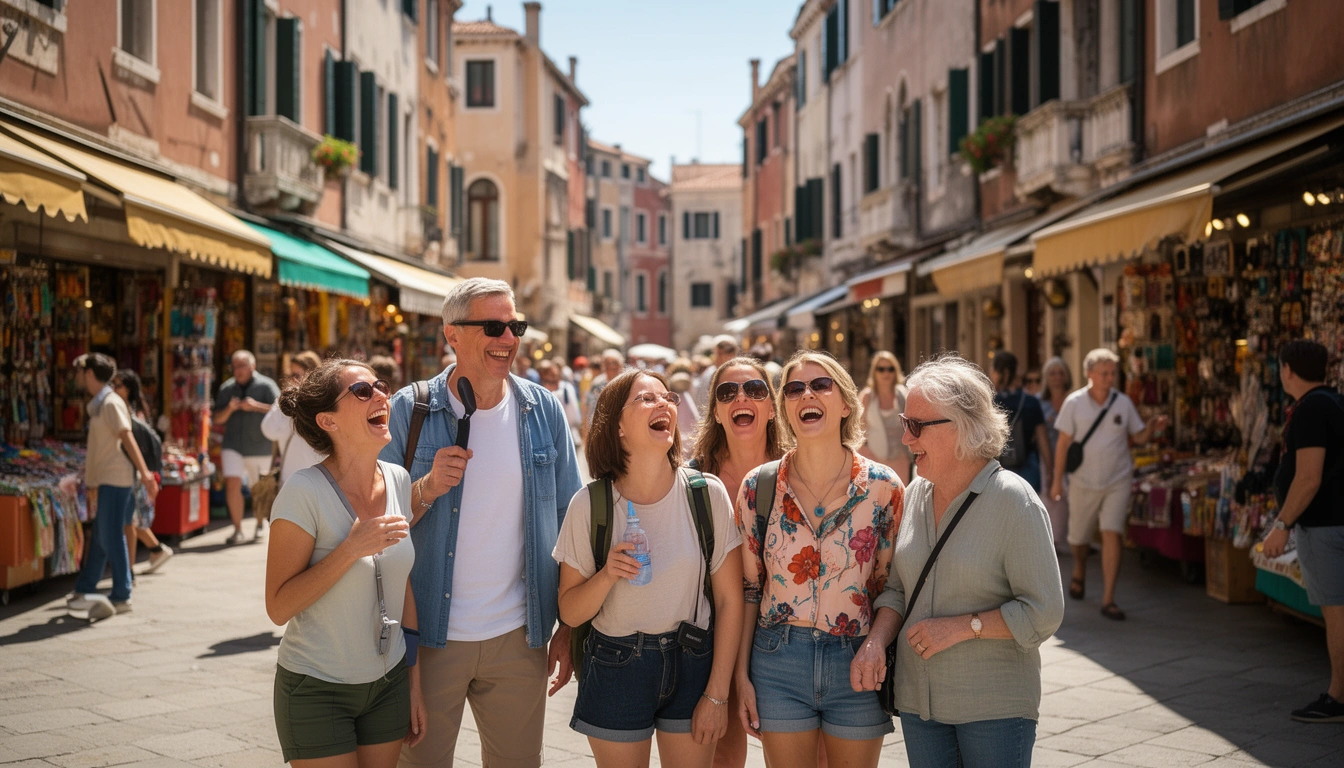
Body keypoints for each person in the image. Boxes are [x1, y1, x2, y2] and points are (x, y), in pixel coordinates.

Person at [379, 277, 583, 768]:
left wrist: (569, 627)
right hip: (427, 635)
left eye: (515, 325)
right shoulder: (411, 409)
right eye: (494, 326)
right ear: (453, 334)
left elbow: (570, 519)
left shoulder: (543, 409)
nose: (509, 339)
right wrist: (425, 488)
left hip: (519, 633)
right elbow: (375, 523)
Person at [852, 355, 1065, 767]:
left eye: (916, 426)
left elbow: (1044, 612)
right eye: (904, 422)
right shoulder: (914, 494)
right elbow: (897, 589)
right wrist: (876, 641)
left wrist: (964, 628)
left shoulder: (1014, 501)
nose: (906, 439)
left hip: (994, 708)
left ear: (962, 424)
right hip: (919, 703)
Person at [554, 369, 744, 765]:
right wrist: (607, 575)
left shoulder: (707, 494)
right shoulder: (589, 505)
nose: (664, 405)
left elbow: (729, 601)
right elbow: (570, 611)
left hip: (692, 659)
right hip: (616, 664)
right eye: (646, 398)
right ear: (617, 426)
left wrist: (717, 693)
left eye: (667, 398)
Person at [735, 351, 902, 768]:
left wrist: (877, 645)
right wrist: (741, 677)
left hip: (857, 660)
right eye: (794, 389)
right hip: (778, 661)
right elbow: (750, 590)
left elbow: (892, 588)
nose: (806, 393)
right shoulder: (758, 487)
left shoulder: (885, 488)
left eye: (820, 384)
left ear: (845, 403)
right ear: (785, 410)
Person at [265, 360, 425, 766]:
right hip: (317, 687)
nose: (381, 397)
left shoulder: (398, 480)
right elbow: (279, 607)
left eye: (381, 386)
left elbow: (400, 583)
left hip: (388, 683)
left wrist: (413, 681)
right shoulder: (302, 491)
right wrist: (351, 549)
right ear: (328, 421)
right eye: (362, 391)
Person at [689, 356, 786, 768]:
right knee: (723, 752)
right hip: (715, 633)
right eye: (728, 392)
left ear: (770, 406)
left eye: (755, 390)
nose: (741, 398)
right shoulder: (692, 479)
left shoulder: (801, 470)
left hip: (786, 635)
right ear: (715, 410)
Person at [1049, 348, 1167, 621]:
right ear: (1089, 374)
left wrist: (1151, 428)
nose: (1109, 378)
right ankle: (1079, 568)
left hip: (1118, 478)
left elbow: (1137, 438)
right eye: (1104, 373)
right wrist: (1057, 481)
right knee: (1079, 538)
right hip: (1083, 480)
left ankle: (1108, 599)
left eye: (1113, 373)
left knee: (1112, 532)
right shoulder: (1074, 403)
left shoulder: (1122, 402)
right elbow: (1063, 444)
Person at [1261, 340, 1344, 723]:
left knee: (1337, 612)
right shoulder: (1334, 401)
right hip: (1334, 520)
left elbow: (1308, 477)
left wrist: (1282, 525)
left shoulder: (1312, 408)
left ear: (1288, 370)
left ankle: (1338, 697)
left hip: (1327, 526)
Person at [67, 354, 159, 614]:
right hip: (107, 478)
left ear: (88, 374)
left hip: (117, 478)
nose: (77, 377)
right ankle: (85, 587)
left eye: (80, 372)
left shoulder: (109, 403)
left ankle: (122, 593)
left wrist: (145, 474)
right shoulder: (100, 403)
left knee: (110, 535)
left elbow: (126, 437)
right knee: (101, 535)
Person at [214, 350, 281, 545]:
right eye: (234, 367)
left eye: (241, 366)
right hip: (233, 444)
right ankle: (237, 529)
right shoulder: (227, 388)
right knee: (232, 484)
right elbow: (217, 418)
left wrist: (256, 406)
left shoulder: (266, 385)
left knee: (258, 488)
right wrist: (230, 408)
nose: (237, 371)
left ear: (252, 366)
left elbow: (280, 410)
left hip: (260, 445)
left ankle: (259, 524)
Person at [110, 369, 173, 575]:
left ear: (127, 389)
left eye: (117, 384)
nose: (112, 388)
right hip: (132, 475)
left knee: (129, 522)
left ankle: (127, 571)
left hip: (132, 475)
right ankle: (154, 551)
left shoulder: (127, 414)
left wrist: (145, 474)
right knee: (130, 521)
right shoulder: (130, 411)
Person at [990, 351, 1052, 493]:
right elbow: (1043, 439)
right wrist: (1049, 470)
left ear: (1001, 372)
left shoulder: (990, 403)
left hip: (997, 467)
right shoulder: (1031, 402)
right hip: (1028, 466)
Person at [263, 351, 328, 486]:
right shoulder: (286, 401)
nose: (292, 380)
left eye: (296, 375)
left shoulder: (324, 402)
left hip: (317, 479)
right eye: (290, 375)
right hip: (291, 478)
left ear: (311, 374)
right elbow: (268, 429)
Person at [857, 352, 912, 485]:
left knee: (901, 502)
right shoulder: (867, 397)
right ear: (874, 372)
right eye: (881, 369)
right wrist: (868, 456)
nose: (885, 373)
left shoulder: (903, 395)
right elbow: (858, 431)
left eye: (890, 369)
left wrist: (908, 455)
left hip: (900, 460)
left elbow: (911, 423)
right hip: (874, 461)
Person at [1039, 357, 1073, 551]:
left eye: (1061, 372)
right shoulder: (1039, 403)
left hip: (1073, 459)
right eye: (1052, 373)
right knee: (1050, 498)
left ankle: (1067, 538)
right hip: (1047, 457)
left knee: (1070, 498)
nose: (1057, 377)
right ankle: (1049, 541)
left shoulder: (1075, 400)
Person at [584, 349, 628, 440]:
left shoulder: (627, 383)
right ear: (603, 366)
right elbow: (589, 409)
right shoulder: (597, 384)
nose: (611, 366)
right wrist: (587, 434)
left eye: (614, 363)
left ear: (621, 365)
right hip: (600, 433)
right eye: (608, 363)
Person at [538, 359, 583, 444]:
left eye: (557, 378)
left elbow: (574, 417)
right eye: (550, 381)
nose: (556, 383)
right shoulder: (538, 393)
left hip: (566, 438)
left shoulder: (567, 389)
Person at [692, 337, 740, 412]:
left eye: (720, 354)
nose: (718, 358)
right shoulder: (710, 373)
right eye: (718, 354)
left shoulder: (739, 372)